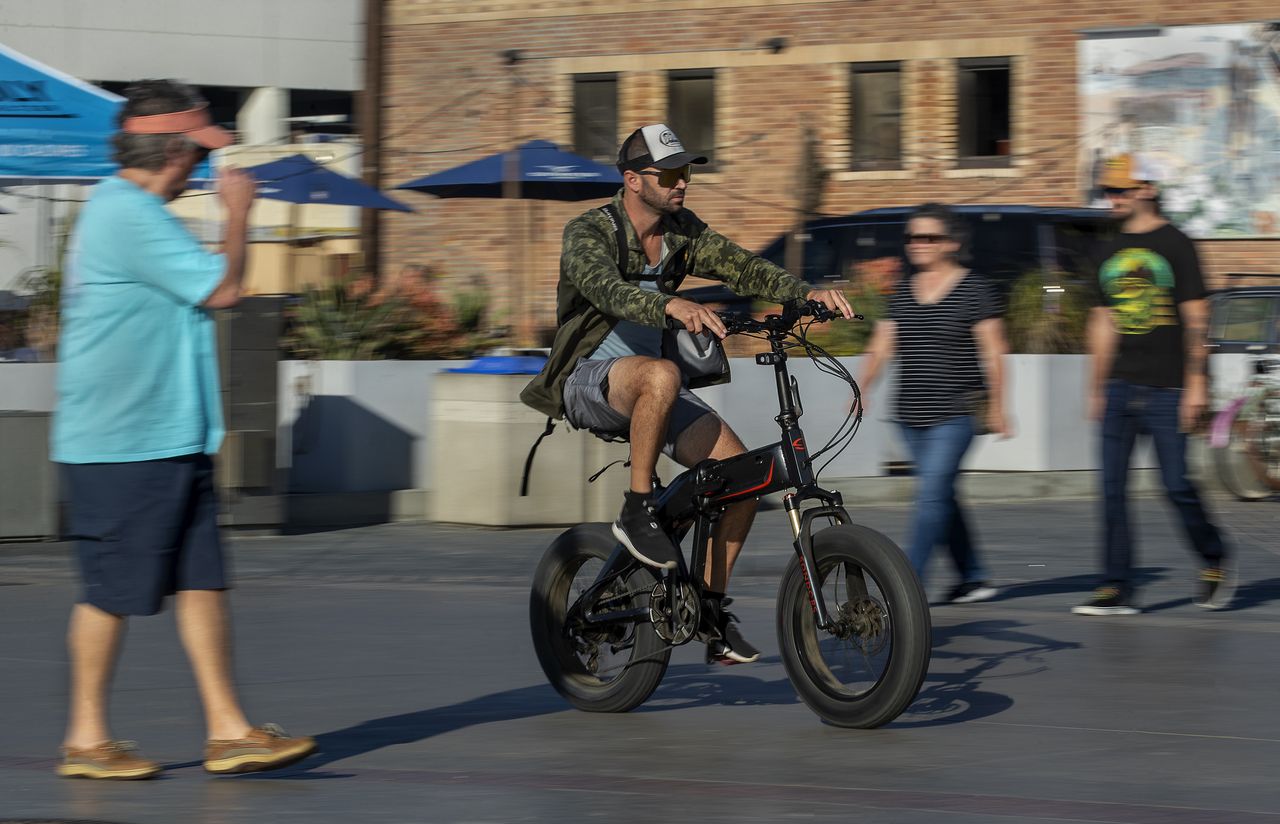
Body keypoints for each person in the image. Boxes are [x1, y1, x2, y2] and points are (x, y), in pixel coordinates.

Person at [51, 80, 315, 779]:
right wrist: (238, 214)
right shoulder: (125, 213)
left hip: (168, 437)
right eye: (201, 154)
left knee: (202, 582)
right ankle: (84, 739)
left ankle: (229, 730)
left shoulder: (138, 213)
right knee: (111, 590)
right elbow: (223, 289)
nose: (207, 168)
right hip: (121, 443)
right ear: (173, 150)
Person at [521, 124, 853, 664]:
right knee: (661, 374)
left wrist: (806, 294)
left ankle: (709, 611)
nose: (682, 183)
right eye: (670, 173)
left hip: (653, 384)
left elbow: (743, 266)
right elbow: (606, 289)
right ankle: (637, 508)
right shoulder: (588, 230)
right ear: (632, 180)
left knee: (742, 478)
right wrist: (670, 306)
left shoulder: (682, 231)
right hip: (588, 380)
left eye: (687, 172)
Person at [1072, 154, 1233, 616]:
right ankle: (1115, 587)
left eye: (1121, 190)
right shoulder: (1105, 249)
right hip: (1121, 385)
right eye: (1108, 191)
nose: (1113, 198)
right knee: (1111, 489)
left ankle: (1214, 556)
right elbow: (1102, 321)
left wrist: (1198, 385)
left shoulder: (1177, 244)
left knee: (1177, 484)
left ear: (1148, 189)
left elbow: (1196, 319)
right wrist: (1096, 387)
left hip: (1169, 388)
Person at [855, 203, 1009, 603]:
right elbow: (882, 343)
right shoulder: (904, 291)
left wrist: (998, 405)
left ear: (952, 243)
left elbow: (994, 351)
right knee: (941, 496)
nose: (918, 244)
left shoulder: (975, 288)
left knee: (931, 497)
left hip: (956, 414)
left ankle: (905, 587)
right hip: (909, 417)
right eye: (912, 237)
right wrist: (862, 386)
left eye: (928, 237)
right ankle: (973, 575)